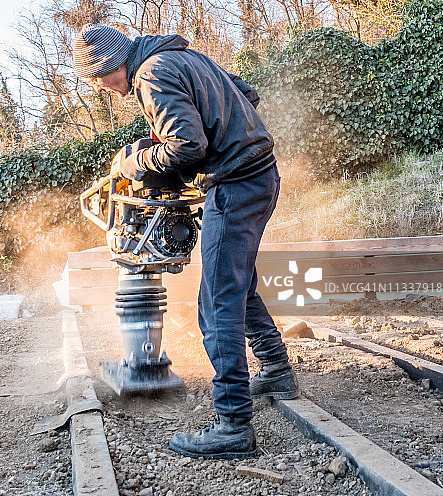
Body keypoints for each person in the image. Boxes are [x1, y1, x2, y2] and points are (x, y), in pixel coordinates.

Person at [72, 24, 298, 459]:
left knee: (216, 304)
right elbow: (245, 94)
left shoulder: (151, 74)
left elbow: (187, 146)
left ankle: (234, 424)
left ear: (109, 65)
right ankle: (275, 368)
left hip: (235, 184)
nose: (101, 88)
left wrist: (134, 162)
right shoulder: (182, 57)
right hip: (260, 175)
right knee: (237, 285)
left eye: (98, 79)